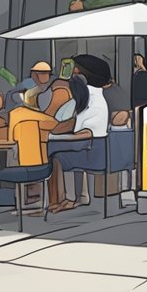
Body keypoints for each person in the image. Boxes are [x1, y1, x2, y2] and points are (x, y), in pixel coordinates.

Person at [45, 55, 111, 213]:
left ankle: (67, 198)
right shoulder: (87, 96)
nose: (72, 75)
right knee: (61, 151)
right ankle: (78, 197)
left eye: (76, 70)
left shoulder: (94, 101)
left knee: (58, 156)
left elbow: (87, 132)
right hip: (89, 147)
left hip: (94, 151)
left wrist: (57, 137)